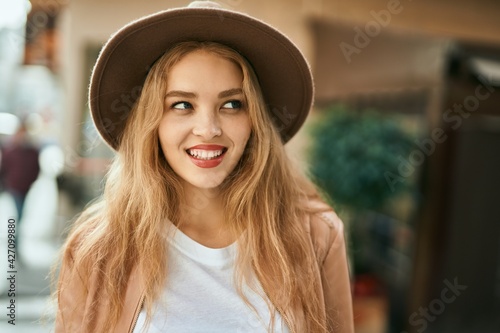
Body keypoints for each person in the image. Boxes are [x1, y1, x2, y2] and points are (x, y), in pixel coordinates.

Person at [55, 1, 354, 332]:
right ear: (151, 122)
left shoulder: (316, 236)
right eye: (182, 104)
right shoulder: (96, 250)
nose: (209, 128)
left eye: (231, 104)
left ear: (255, 120)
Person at [0, 119, 40, 222]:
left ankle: (14, 235)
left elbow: (36, 169)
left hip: (25, 187)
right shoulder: (10, 151)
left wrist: (30, 182)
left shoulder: (32, 152)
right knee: (16, 213)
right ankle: (13, 236)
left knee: (20, 213)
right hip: (14, 187)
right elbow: (4, 168)